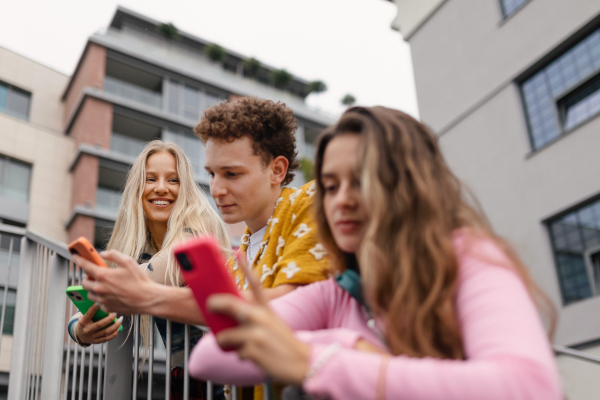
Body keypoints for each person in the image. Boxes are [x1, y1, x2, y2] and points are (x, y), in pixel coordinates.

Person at [188, 106, 563, 399]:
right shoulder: (338, 291)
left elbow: (530, 387)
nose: (341, 201)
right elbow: (210, 356)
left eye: (361, 181)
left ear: (410, 183)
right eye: (331, 186)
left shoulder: (469, 258)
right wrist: (348, 345)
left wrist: (313, 361)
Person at [76, 98, 331, 398]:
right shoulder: (240, 256)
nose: (217, 190)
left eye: (232, 174)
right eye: (211, 174)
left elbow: (288, 308)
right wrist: (79, 328)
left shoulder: (310, 204)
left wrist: (147, 296)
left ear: (277, 170)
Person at [69, 140, 230, 400]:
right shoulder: (138, 247)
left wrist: (106, 289)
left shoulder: (199, 225)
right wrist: (80, 330)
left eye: (173, 180)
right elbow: (88, 309)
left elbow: (163, 270)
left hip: (231, 371)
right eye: (150, 179)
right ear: (137, 187)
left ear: (186, 187)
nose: (162, 188)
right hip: (191, 377)